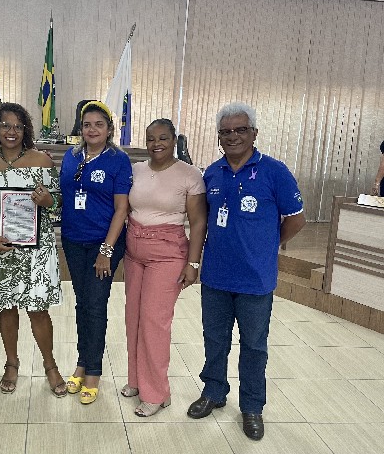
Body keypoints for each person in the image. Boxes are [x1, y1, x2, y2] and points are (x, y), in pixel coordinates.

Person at [187, 102, 306, 441]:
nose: (233, 136)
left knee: (254, 345)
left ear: (254, 133)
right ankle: (213, 391)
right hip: (216, 277)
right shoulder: (212, 174)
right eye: (225, 132)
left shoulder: (274, 171)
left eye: (240, 130)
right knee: (215, 340)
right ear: (218, 137)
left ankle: (252, 406)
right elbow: (202, 220)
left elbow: (297, 220)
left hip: (256, 280)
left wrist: (268, 244)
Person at [0, 102, 66, 397]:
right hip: (0, 247)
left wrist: (48, 201)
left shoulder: (42, 160)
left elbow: (58, 204)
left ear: (26, 130)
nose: (11, 131)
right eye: (5, 125)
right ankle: (11, 364)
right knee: (7, 308)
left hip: (36, 251)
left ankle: (50, 365)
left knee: (38, 309)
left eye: (17, 126)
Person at [122, 118, 207, 417]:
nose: (156, 144)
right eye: (151, 138)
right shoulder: (136, 170)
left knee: (154, 323)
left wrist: (193, 263)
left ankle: (157, 393)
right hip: (134, 253)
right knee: (133, 319)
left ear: (174, 140)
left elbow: (198, 222)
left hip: (168, 256)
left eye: (163, 138)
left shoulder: (190, 174)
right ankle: (137, 380)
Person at [60, 100, 132, 404]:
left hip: (104, 243)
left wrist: (106, 250)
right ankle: (82, 361)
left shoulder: (118, 160)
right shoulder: (71, 156)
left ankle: (93, 372)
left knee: (95, 304)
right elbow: (63, 195)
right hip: (73, 240)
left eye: (99, 124)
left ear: (109, 129)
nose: (92, 130)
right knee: (82, 304)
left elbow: (121, 209)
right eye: (87, 124)